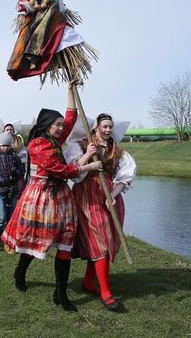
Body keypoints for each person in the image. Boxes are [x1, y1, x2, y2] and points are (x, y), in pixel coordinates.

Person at [2, 81, 102, 312]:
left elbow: (70, 117)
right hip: (42, 197)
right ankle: (20, 271)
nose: (60, 128)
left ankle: (61, 293)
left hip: (62, 197)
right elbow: (62, 170)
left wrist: (69, 91)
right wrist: (89, 165)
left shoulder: (56, 140)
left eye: (60, 125)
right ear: (46, 125)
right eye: (56, 125)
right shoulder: (38, 144)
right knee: (37, 240)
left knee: (65, 242)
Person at [65, 113, 136, 312]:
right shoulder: (80, 145)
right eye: (104, 126)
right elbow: (73, 171)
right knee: (101, 242)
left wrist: (113, 195)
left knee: (102, 242)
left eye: (110, 127)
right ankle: (106, 293)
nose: (107, 130)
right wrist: (88, 155)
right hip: (87, 197)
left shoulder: (117, 150)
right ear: (95, 127)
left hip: (109, 198)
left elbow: (125, 177)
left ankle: (88, 282)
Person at [7, 0, 97, 85]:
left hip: (53, 14)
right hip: (45, 17)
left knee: (62, 37)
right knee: (58, 37)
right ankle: (71, 71)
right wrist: (25, 5)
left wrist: (60, 5)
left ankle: (72, 71)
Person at [0, 132, 25, 252]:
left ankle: (8, 241)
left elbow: (21, 170)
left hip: (13, 190)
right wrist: (2, 181)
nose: (5, 148)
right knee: (2, 217)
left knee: (11, 217)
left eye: (7, 145)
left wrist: (16, 174)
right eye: (3, 145)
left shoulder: (15, 157)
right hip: (1, 191)